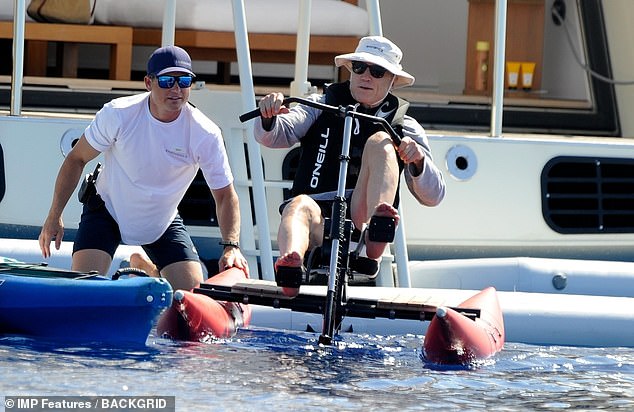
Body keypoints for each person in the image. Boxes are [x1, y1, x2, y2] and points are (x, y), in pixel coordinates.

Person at [39, 45, 248, 291]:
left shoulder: (206, 133)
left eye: (183, 81)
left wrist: (231, 246)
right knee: (83, 291)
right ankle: (145, 270)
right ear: (148, 82)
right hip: (107, 210)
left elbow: (225, 194)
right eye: (167, 80)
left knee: (191, 299)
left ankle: (149, 270)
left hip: (161, 221)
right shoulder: (118, 114)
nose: (176, 89)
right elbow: (76, 159)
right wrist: (54, 215)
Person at [254, 36, 446, 296]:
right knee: (297, 205)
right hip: (318, 220)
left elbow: (434, 196)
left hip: (361, 220)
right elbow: (273, 135)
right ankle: (290, 266)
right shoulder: (319, 105)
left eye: (377, 71)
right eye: (359, 68)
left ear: (392, 81)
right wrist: (269, 116)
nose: (366, 76)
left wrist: (418, 161)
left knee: (381, 141)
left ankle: (373, 244)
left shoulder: (406, 127)